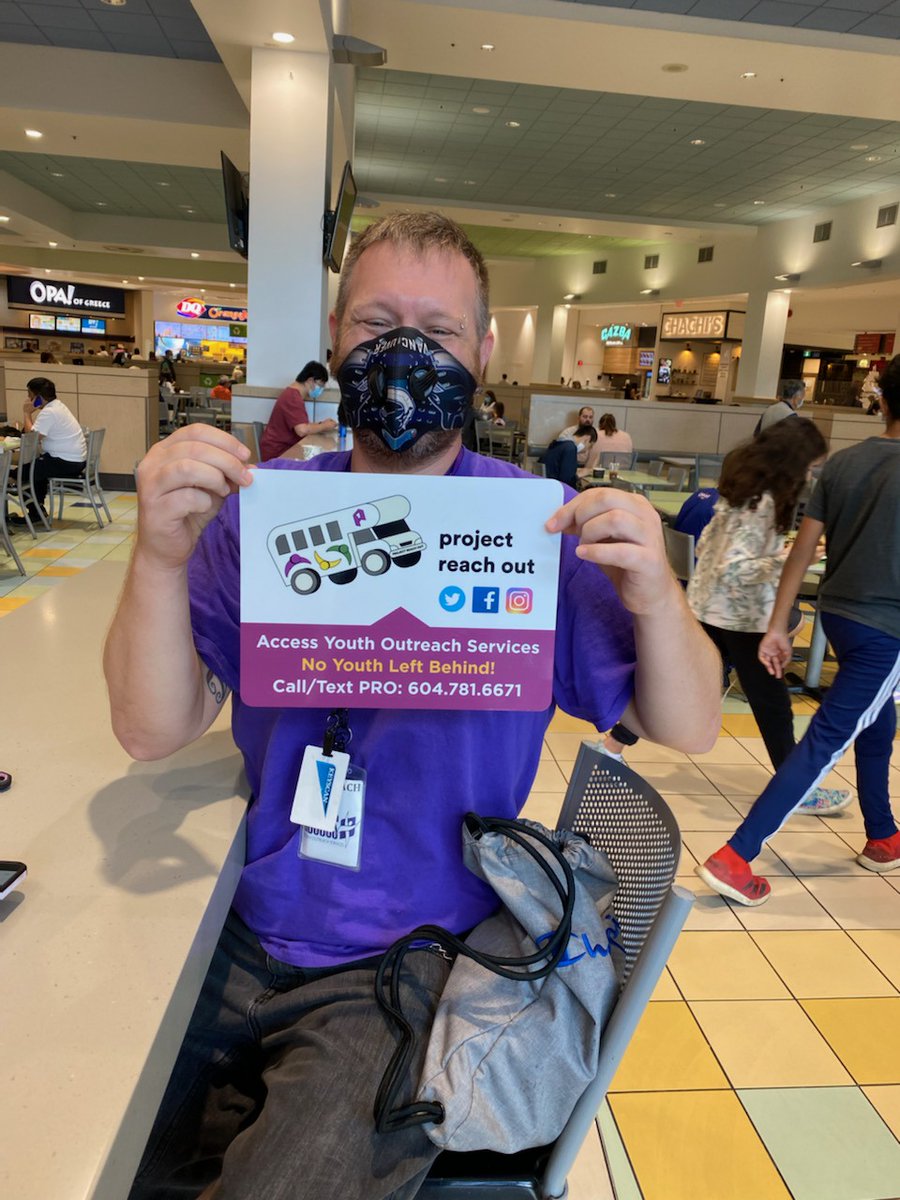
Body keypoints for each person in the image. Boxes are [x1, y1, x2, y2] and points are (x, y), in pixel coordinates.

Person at [104, 211, 720, 1200]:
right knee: (96, 1149)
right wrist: (158, 554)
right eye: (377, 323)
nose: (403, 352)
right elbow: (151, 728)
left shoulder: (533, 533)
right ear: (339, 336)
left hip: (405, 961)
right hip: (230, 926)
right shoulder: (266, 517)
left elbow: (689, 727)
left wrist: (656, 591)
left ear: (480, 354)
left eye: (435, 333)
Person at [698, 356, 900, 905]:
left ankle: (882, 835)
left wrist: (777, 626)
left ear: (882, 401)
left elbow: (803, 549)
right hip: (886, 629)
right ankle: (737, 854)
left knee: (879, 723)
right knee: (826, 742)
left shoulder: (848, 462)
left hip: (839, 616)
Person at [687, 420, 850, 816]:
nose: (810, 477)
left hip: (707, 605)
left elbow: (709, 546)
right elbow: (735, 568)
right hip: (741, 617)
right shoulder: (764, 501)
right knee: (773, 706)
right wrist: (792, 558)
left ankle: (612, 745)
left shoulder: (738, 490)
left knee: (685, 681)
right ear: (793, 462)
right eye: (810, 468)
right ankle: (795, 790)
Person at [7, 376, 86, 527]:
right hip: (72, 460)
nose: (28, 399)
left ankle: (29, 506)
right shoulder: (58, 406)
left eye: (30, 396)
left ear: (38, 397)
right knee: (35, 471)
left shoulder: (50, 412)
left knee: (21, 473)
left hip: (65, 462)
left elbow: (32, 437)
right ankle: (37, 512)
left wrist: (27, 413)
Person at [258, 361, 336, 461]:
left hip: (283, 449)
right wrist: (324, 426)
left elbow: (301, 425)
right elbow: (302, 430)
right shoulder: (293, 397)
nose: (320, 390)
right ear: (311, 380)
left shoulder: (292, 394)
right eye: (320, 385)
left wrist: (321, 424)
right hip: (278, 452)